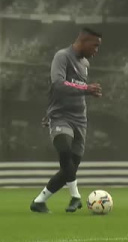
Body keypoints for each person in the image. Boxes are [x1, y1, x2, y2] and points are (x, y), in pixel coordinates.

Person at [30, 28, 103, 213]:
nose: (96, 51)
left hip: (80, 120)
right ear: (84, 40)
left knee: (69, 168)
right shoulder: (62, 56)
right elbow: (58, 84)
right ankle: (76, 196)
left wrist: (86, 92)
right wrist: (86, 89)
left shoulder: (85, 63)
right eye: (95, 45)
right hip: (61, 116)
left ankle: (39, 202)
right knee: (64, 150)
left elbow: (75, 89)